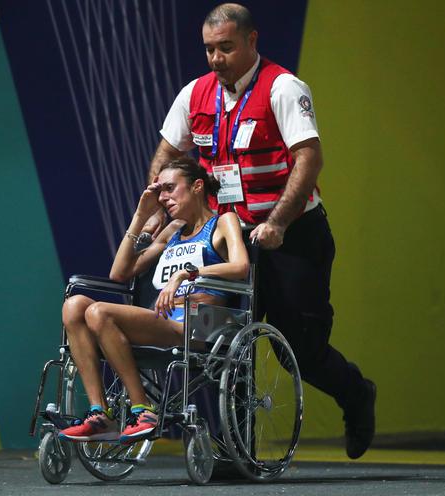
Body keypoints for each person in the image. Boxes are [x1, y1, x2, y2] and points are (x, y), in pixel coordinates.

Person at [145, 3, 376, 459]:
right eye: (209, 49)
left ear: (252, 41)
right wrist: (161, 208)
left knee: (302, 352)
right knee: (229, 342)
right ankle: (238, 451)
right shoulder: (195, 94)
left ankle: (356, 393)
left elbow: (309, 158)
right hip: (229, 238)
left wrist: (277, 223)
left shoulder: (284, 88)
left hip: (292, 236)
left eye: (226, 48)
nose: (216, 58)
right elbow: (167, 155)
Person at [59, 157, 249, 444]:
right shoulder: (172, 231)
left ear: (197, 186)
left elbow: (240, 267)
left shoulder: (223, 221)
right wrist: (140, 216)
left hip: (198, 326)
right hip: (162, 323)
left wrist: (187, 274)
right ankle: (100, 414)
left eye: (171, 188)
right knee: (74, 305)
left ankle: (142, 409)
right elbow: (119, 272)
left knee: (98, 312)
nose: (163, 197)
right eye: (160, 191)